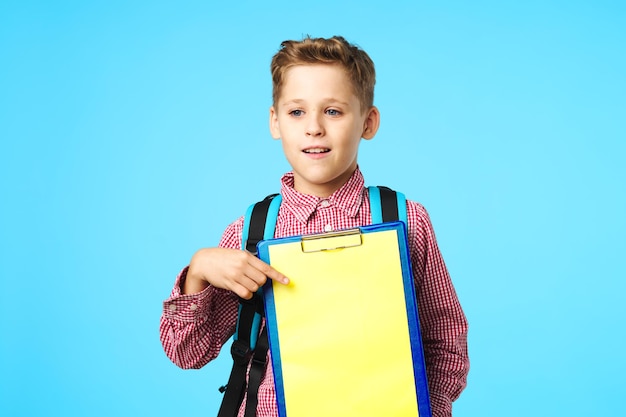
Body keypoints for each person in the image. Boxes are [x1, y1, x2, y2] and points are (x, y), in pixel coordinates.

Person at [160, 35, 469, 417]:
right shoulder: (252, 232)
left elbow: (445, 341)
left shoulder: (405, 220)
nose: (314, 128)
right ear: (275, 122)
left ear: (368, 122)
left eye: (333, 112)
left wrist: (427, 408)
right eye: (297, 112)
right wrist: (200, 270)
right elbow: (186, 352)